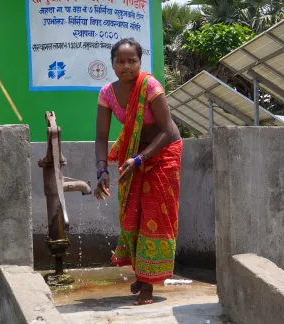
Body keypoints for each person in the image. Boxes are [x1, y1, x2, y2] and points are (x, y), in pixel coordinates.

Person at [94, 38, 183, 305]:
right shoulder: (107, 94)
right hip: (134, 155)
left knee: (154, 215)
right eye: (120, 61)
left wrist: (140, 159)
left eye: (131, 61)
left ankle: (147, 287)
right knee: (131, 213)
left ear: (140, 63)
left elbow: (167, 131)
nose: (126, 66)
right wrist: (101, 171)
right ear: (112, 64)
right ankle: (142, 272)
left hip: (163, 152)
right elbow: (100, 137)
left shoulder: (151, 87)